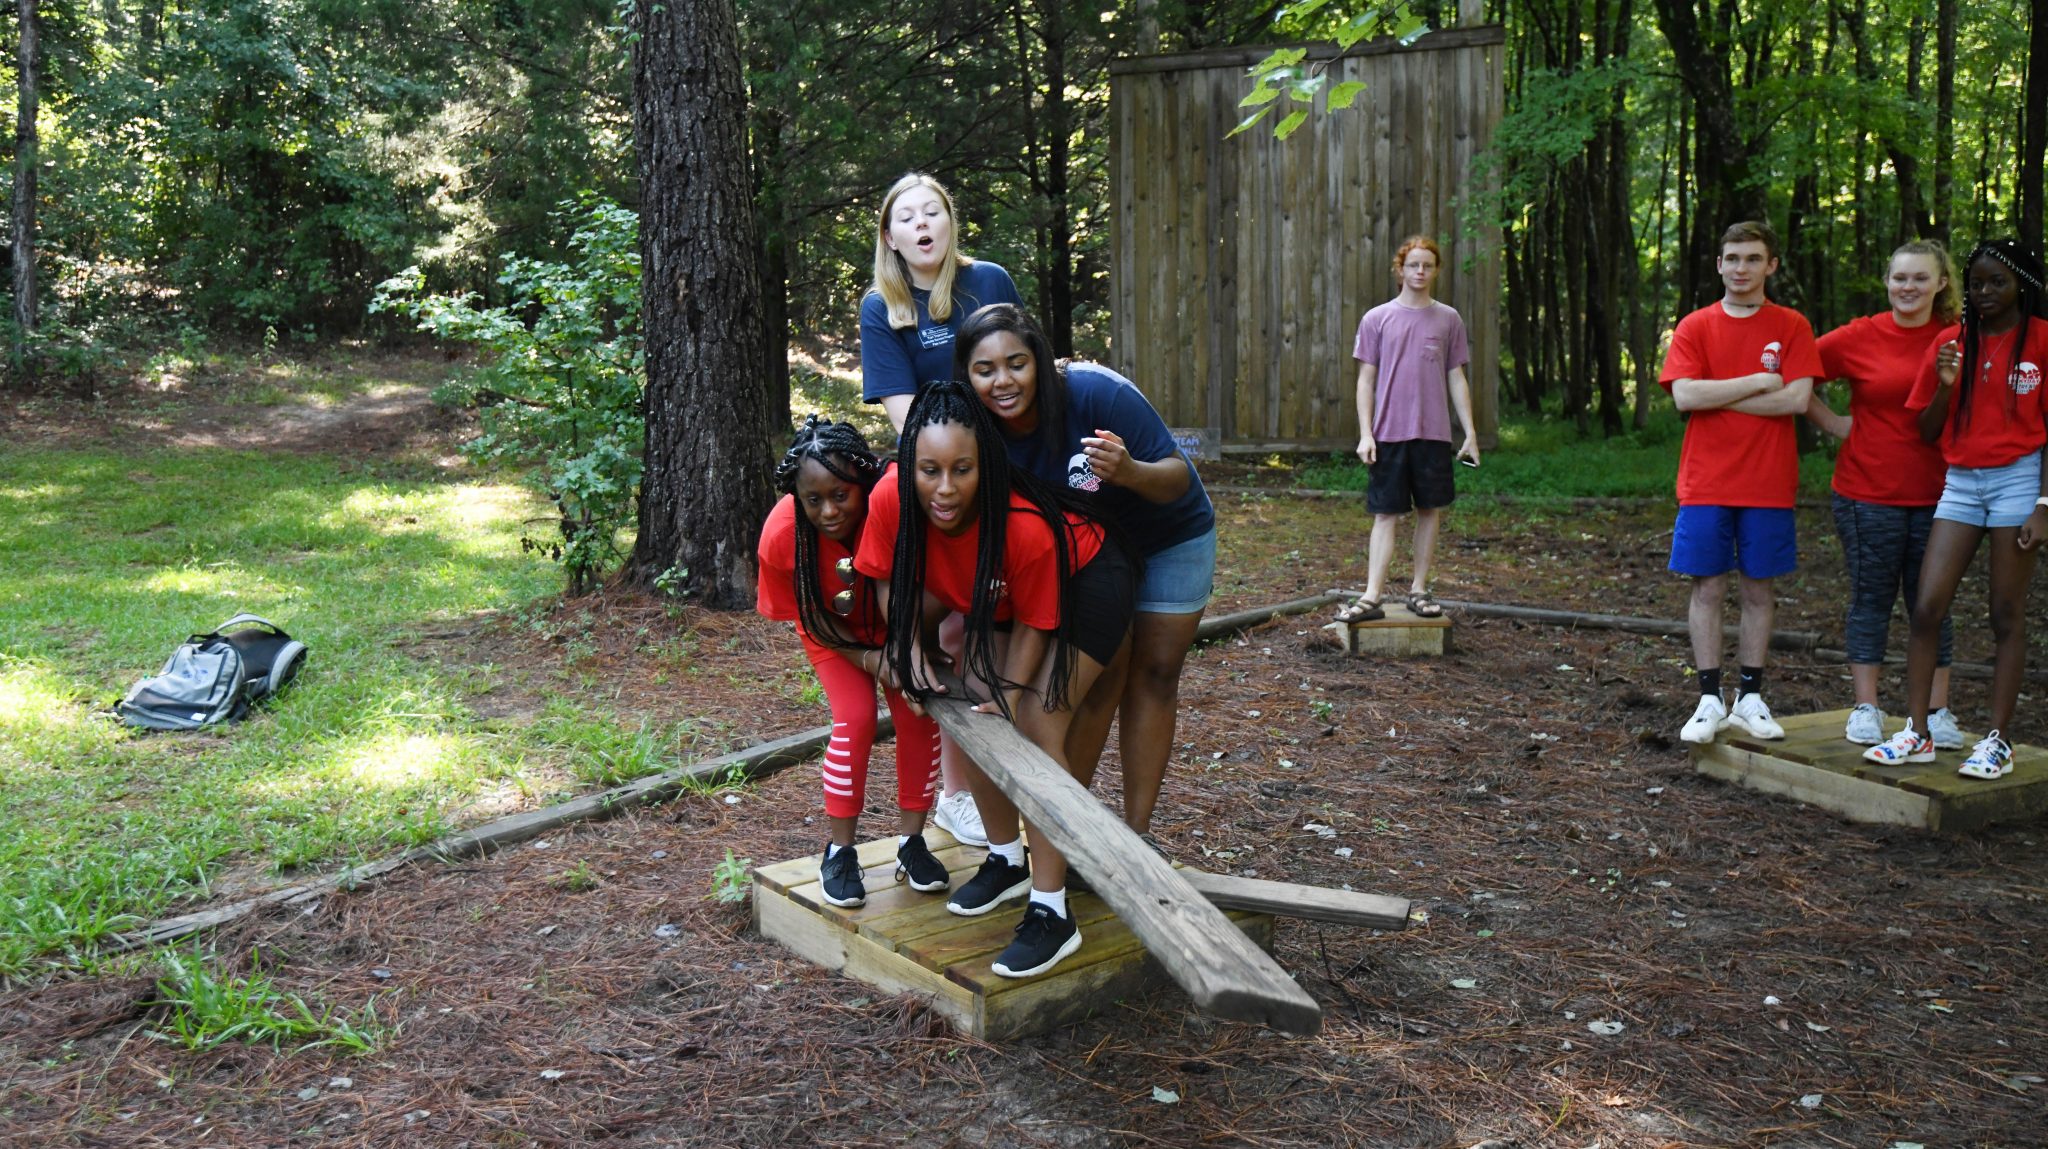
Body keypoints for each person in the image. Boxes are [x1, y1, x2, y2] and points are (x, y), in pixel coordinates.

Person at [854, 380, 1135, 980]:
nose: (946, 489)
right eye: (929, 470)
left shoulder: (1022, 525)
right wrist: (904, 644)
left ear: (986, 463)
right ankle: (1007, 860)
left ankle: (1052, 911)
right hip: (1003, 592)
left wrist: (1011, 696)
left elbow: (1038, 623)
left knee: (1032, 726)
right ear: (910, 466)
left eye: (962, 470)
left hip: (1087, 584)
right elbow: (884, 578)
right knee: (973, 701)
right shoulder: (891, 498)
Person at [955, 303, 1215, 843]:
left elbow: (1177, 480)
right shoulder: (976, 429)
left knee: (1155, 674)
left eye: (1017, 363)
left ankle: (1136, 837)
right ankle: (1075, 830)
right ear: (967, 374)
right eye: (986, 370)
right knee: (1092, 683)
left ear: (1040, 361)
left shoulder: (1098, 393)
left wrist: (1129, 471)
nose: (1003, 381)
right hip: (1089, 558)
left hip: (1167, 538)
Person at [858, 172, 1024, 846]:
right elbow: (907, 418)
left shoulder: (991, 281)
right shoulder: (883, 306)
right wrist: (957, 469)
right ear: (891, 237)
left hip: (1007, 467)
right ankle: (956, 795)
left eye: (934, 211)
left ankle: (1015, 767)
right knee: (953, 630)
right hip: (937, 478)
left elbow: (1021, 371)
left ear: (951, 222)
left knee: (998, 625)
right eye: (908, 216)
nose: (923, 224)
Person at [1863, 239, 2048, 779]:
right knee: (1926, 607)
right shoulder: (1951, 342)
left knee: (2005, 614)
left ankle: (1997, 741)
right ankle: (1916, 732)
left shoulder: (2040, 340)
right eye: (1977, 283)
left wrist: (2043, 504)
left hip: (2019, 479)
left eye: (1998, 282)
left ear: (2022, 286)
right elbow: (1925, 430)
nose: (1986, 292)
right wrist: (1946, 386)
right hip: (1961, 483)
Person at [756, 416, 947, 909]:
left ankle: (911, 842)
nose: (828, 510)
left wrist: (902, 652)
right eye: (813, 500)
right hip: (831, 634)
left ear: (861, 482)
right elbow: (809, 619)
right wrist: (870, 659)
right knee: (856, 719)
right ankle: (840, 852)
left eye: (840, 495)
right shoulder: (781, 535)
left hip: (894, 624)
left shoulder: (892, 504)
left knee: (918, 712)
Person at [1660, 220, 1822, 745]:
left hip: (1768, 482)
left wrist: (1717, 395)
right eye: (1732, 258)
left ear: (1771, 265)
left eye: (1753, 258)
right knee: (1707, 586)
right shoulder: (1695, 326)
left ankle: (1749, 697)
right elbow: (1684, 397)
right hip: (1706, 480)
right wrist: (1756, 381)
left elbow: (1796, 401)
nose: (1741, 269)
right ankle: (1709, 698)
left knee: (1758, 588)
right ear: (1719, 265)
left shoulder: (1793, 325)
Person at [1804, 241, 1965, 747]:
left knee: (1932, 603)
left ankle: (1937, 712)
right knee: (1871, 599)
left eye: (1921, 278)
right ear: (1887, 282)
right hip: (1866, 491)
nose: (1908, 287)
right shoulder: (1860, 335)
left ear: (1942, 283)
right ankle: (1867, 707)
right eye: (1899, 278)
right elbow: (1796, 370)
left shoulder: (1961, 337)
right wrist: (1834, 423)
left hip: (1945, 494)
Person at [1337, 235, 1479, 625]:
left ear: (1436, 270)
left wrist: (1469, 432)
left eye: (1427, 265)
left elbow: (1456, 377)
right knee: (1385, 513)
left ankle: (1419, 589)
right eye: (1413, 265)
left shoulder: (1448, 319)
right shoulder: (1377, 318)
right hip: (1387, 434)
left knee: (1429, 511)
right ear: (1400, 269)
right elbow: (1365, 381)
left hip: (1433, 434)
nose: (1420, 272)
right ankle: (1371, 595)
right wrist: (1366, 433)